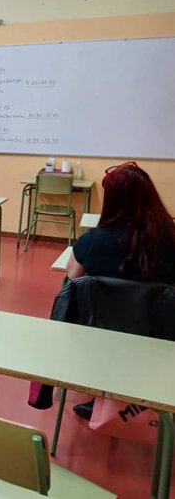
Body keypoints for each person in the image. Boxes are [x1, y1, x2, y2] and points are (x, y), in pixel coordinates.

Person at [66, 161, 175, 420]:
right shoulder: (170, 240)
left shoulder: (93, 241)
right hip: (158, 341)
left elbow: (71, 278)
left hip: (99, 340)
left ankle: (104, 395)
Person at [67, 161, 175, 283]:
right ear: (150, 196)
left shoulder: (91, 240)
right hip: (156, 302)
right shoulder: (169, 237)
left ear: (110, 201)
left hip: (102, 302)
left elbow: (72, 277)